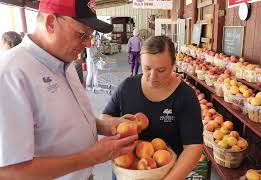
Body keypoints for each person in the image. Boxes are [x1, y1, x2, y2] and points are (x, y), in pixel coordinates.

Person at [0, 0, 138, 180]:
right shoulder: (11, 74)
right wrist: (91, 157)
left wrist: (103, 126)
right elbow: (9, 172)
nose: (89, 44)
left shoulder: (65, 60)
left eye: (90, 35)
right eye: (82, 35)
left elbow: (62, 120)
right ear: (50, 23)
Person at [101, 36, 203, 180]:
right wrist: (120, 125)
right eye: (147, 68)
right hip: (126, 171)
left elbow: (193, 147)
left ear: (174, 65)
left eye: (161, 70)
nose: (152, 77)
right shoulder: (127, 87)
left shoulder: (185, 96)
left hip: (167, 173)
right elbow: (105, 117)